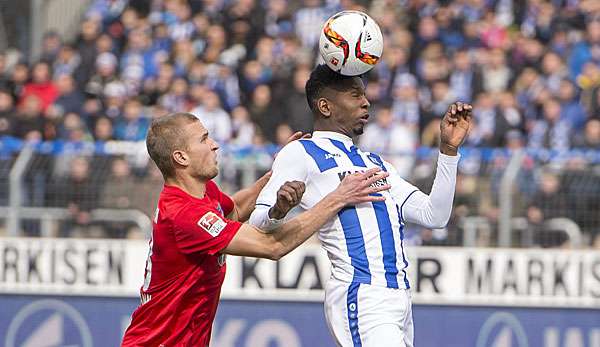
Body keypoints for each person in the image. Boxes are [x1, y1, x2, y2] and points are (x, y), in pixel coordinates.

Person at [121, 112, 390, 347]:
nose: (214, 145)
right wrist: (338, 197)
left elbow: (235, 210)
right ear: (180, 157)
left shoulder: (200, 193)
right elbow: (271, 245)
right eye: (203, 139)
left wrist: (281, 169)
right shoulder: (184, 215)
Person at [249, 64, 472, 347]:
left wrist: (448, 151)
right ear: (325, 107)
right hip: (362, 295)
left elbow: (434, 215)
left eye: (364, 94)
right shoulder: (302, 152)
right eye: (355, 95)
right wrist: (278, 210)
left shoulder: (376, 163)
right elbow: (256, 224)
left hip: (400, 298)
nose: (366, 102)